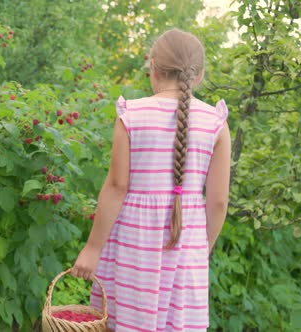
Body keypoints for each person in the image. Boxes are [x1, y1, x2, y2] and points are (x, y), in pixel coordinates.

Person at [71, 29, 231, 331]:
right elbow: (219, 201)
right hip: (187, 244)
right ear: (199, 76)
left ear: (152, 68)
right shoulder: (216, 124)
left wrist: (92, 249)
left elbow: (117, 188)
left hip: (133, 247)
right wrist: (200, 247)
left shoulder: (132, 115)